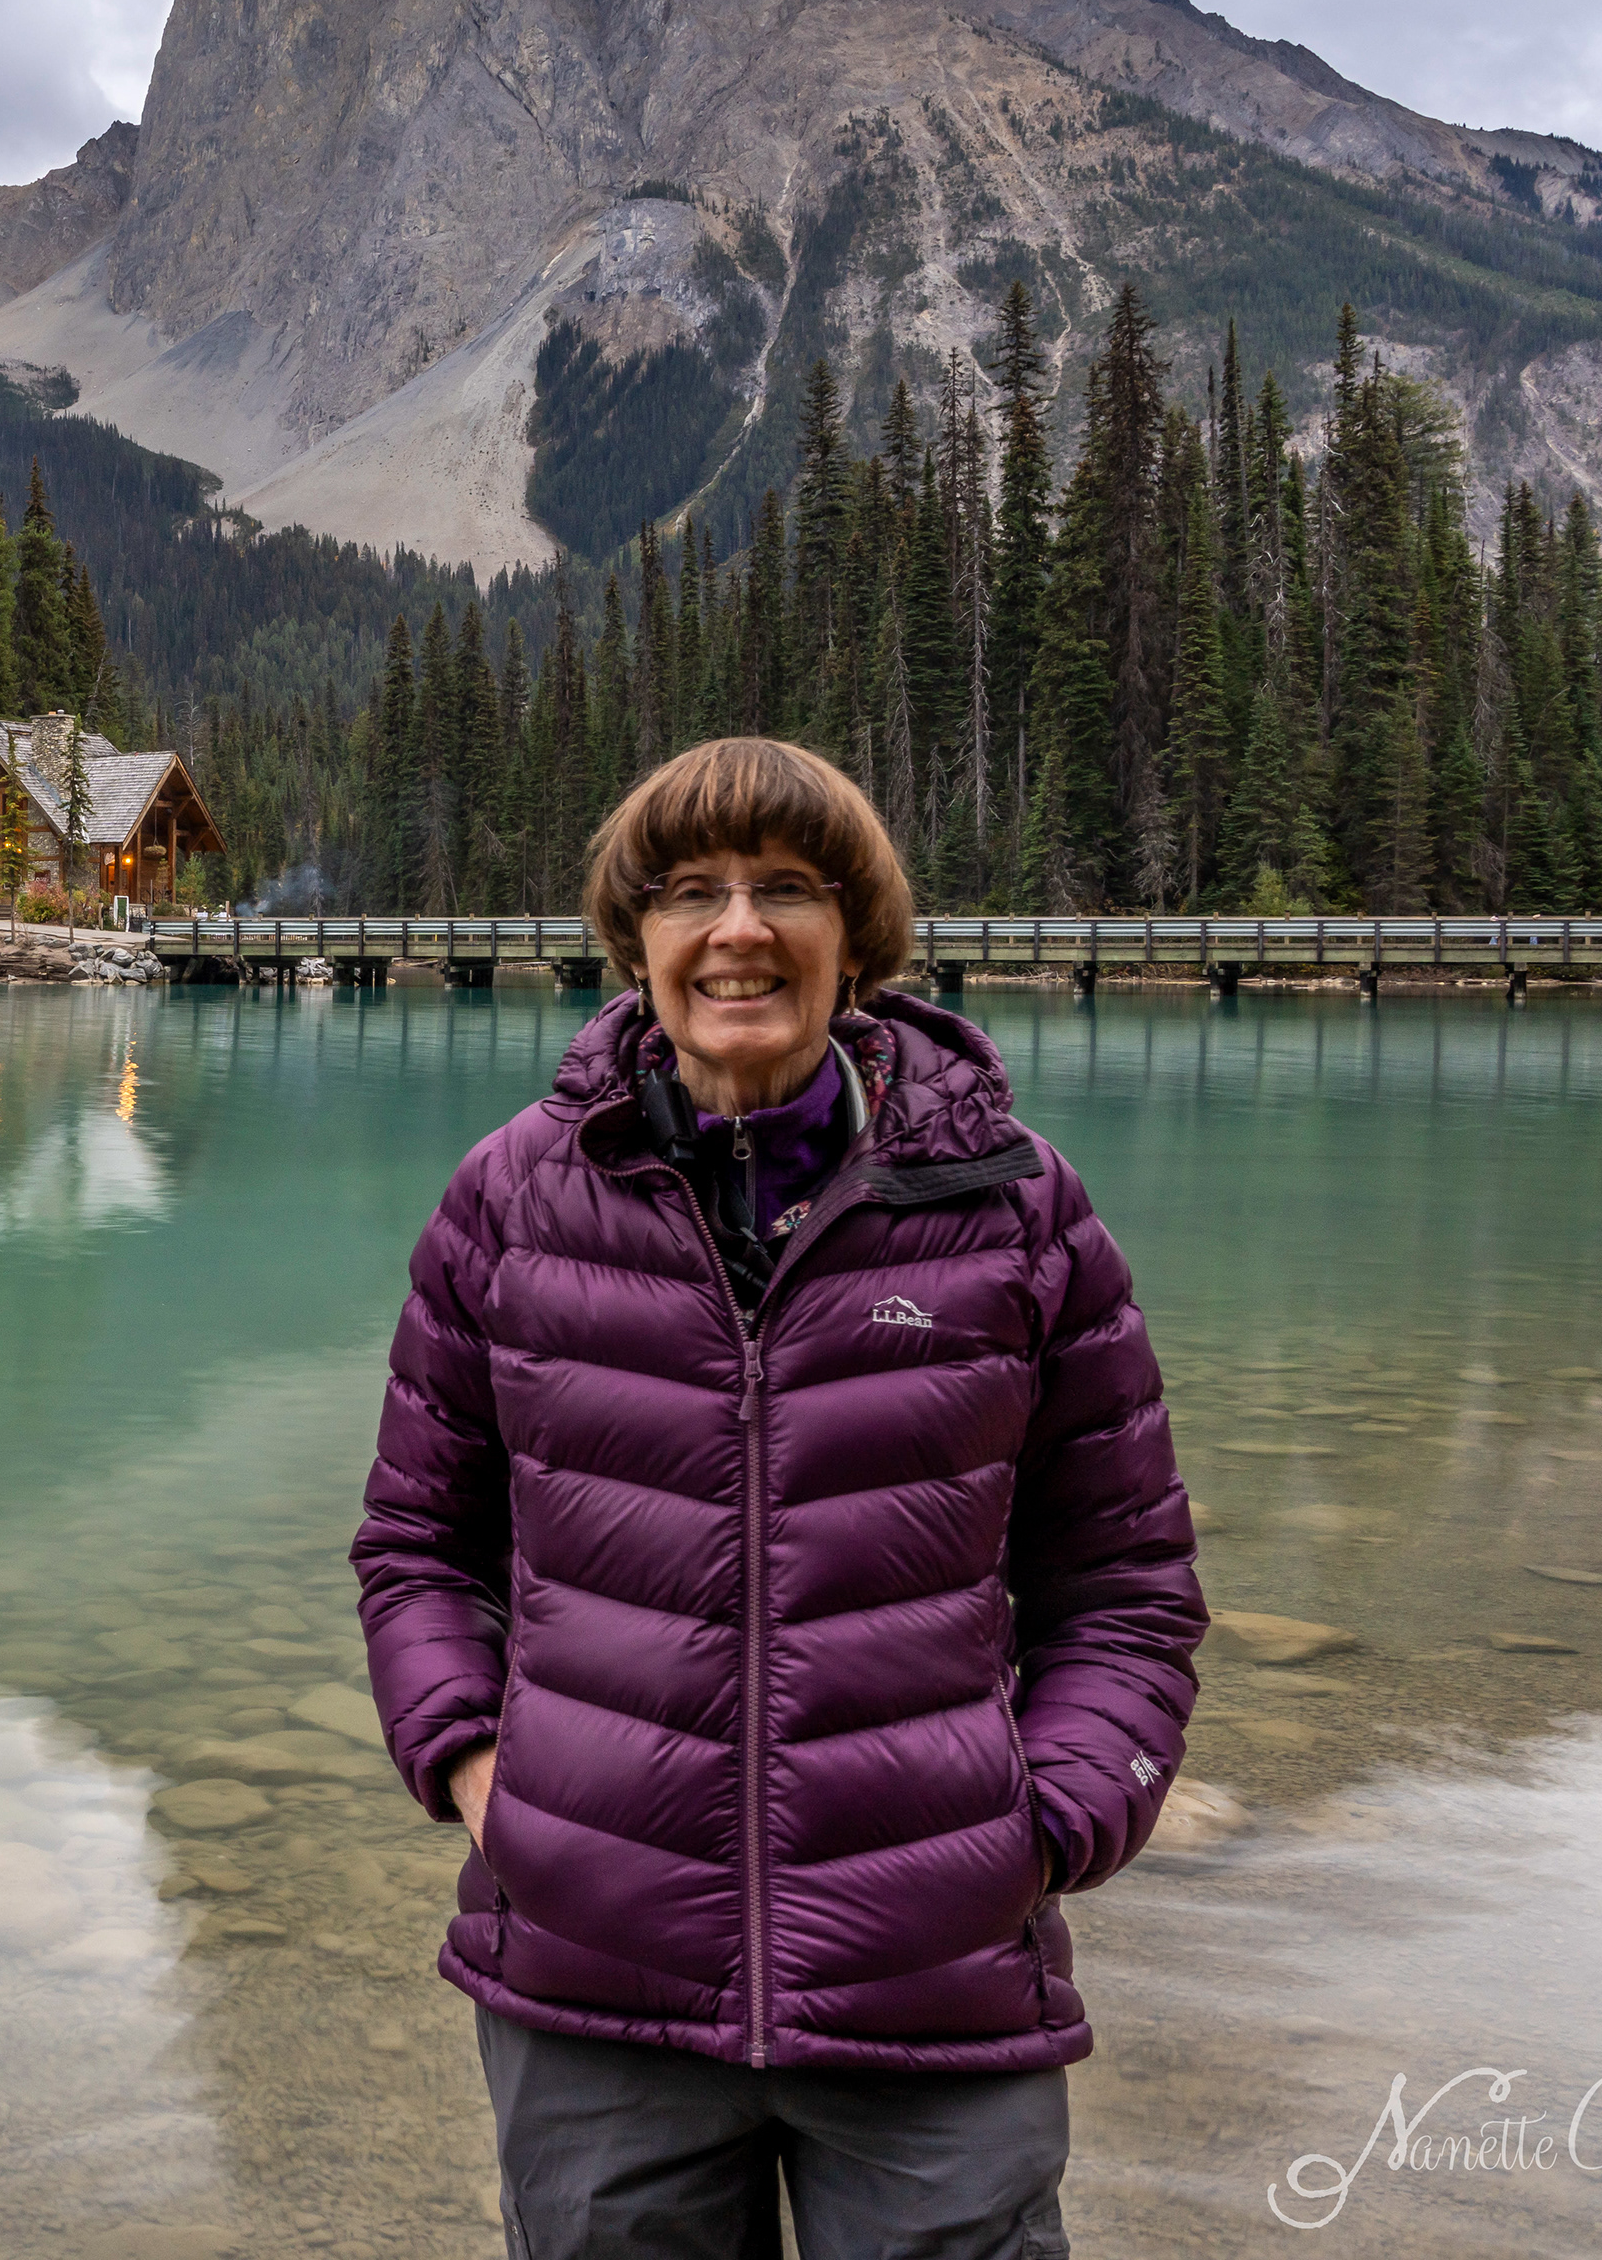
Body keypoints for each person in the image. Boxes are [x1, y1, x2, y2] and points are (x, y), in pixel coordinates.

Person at [354, 737, 1205, 2259]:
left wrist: (1050, 1825)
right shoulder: (509, 1202)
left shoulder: (1015, 1210)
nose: (736, 929)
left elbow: (1126, 1589)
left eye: (786, 890)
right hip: (592, 1980)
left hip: (929, 1985)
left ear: (855, 941)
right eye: (690, 893)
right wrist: (485, 1781)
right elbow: (421, 1547)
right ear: (637, 942)